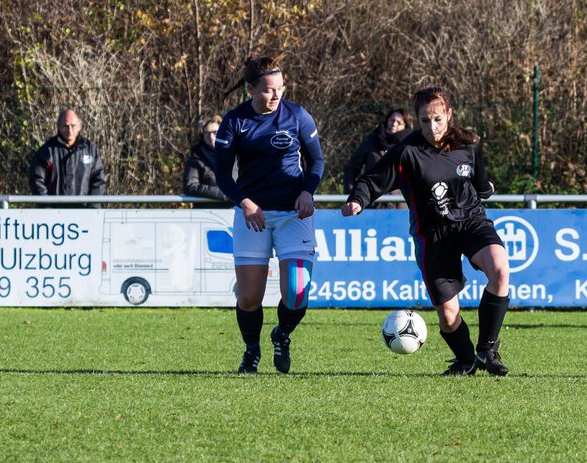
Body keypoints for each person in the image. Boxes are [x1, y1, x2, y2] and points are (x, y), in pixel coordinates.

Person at [341, 84, 511, 377]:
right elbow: (372, 180)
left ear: (449, 115)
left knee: (500, 268)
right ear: (416, 120)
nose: (432, 127)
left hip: (471, 221)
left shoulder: (469, 143)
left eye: (438, 119)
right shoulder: (406, 151)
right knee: (448, 315)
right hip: (432, 234)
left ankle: (488, 349)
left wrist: (486, 188)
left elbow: (481, 182)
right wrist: (357, 199)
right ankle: (466, 359)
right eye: (424, 121)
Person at [214, 56, 324, 374]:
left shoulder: (298, 116)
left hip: (294, 215)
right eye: (268, 90)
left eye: (280, 89)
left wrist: (307, 191)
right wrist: (244, 202)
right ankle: (251, 350)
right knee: (249, 298)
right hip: (254, 217)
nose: (275, 96)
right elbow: (222, 175)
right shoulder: (234, 121)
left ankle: (282, 334)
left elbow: (316, 162)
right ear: (250, 89)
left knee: (297, 292)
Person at [28, 108, 108, 199]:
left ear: (79, 126)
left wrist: (92, 207)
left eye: (73, 126)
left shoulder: (90, 150)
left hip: (83, 210)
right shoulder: (47, 151)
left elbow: (98, 180)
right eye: (66, 126)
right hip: (54, 211)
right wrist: (47, 206)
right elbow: (36, 180)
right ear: (59, 126)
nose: (70, 130)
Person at [343, 108, 410, 209]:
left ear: (405, 126)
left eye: (399, 122)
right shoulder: (372, 141)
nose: (394, 124)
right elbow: (352, 168)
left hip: (401, 205)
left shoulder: (409, 145)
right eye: (392, 120)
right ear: (387, 120)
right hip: (373, 204)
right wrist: (354, 194)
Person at [183, 114, 227, 206]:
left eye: (215, 132)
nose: (211, 136)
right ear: (202, 135)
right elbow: (190, 186)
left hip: (237, 212)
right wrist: (222, 194)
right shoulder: (195, 158)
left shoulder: (237, 154)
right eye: (207, 133)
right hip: (206, 214)